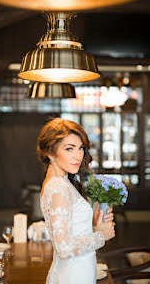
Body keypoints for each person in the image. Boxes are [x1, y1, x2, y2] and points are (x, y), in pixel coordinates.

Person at [38, 118, 115, 284]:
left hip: (75, 272)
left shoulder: (58, 182)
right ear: (50, 153)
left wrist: (93, 225)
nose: (78, 155)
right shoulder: (59, 186)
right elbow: (64, 249)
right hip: (73, 276)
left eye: (80, 148)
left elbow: (69, 234)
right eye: (69, 149)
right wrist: (102, 235)